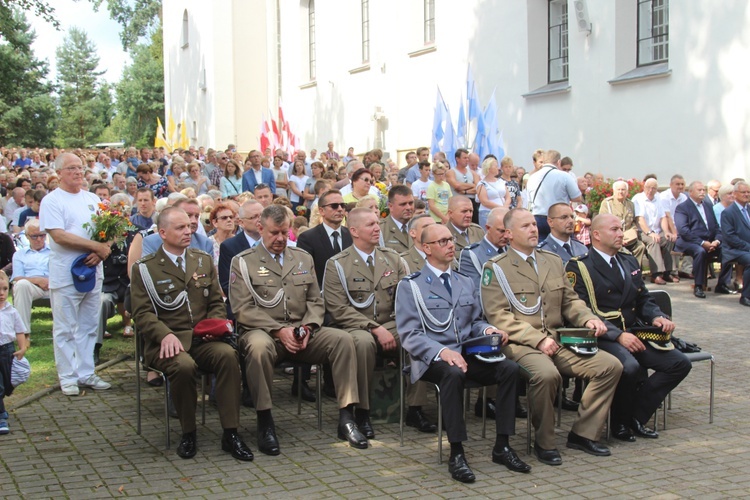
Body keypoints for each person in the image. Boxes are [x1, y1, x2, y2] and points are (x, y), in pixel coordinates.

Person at [480, 209, 621, 466]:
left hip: (557, 340)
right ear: (509, 234)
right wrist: (537, 340)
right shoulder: (496, 269)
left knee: (609, 366)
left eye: (534, 224)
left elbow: (570, 301)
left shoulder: (552, 260)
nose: (534, 229)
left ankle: (583, 433)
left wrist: (587, 318)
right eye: (525, 226)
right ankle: (544, 442)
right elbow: (498, 316)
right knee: (546, 375)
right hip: (521, 345)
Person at [396, 223, 530, 483]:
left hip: (466, 353)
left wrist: (490, 328)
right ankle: (456, 452)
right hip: (432, 358)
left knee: (510, 369)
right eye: (443, 241)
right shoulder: (411, 286)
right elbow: (409, 334)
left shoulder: (464, 280)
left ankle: (502, 445)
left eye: (450, 240)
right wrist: (443, 351)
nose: (450, 245)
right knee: (453, 373)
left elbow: (474, 321)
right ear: (426, 248)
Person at [229, 205, 367, 453]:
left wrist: (308, 327)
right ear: (260, 228)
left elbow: (315, 300)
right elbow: (242, 309)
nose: (280, 238)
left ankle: (346, 417)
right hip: (265, 332)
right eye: (274, 233)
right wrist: (278, 331)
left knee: (343, 340)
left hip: (303, 332)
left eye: (284, 232)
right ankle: (265, 421)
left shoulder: (302, 257)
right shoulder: (243, 262)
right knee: (258, 348)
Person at [130, 207, 253, 461]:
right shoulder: (145, 268)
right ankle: (188, 432)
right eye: (180, 227)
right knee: (184, 367)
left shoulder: (202, 259)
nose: (189, 231)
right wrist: (164, 335)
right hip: (165, 342)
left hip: (202, 338)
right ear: (162, 233)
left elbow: (217, 302)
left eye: (189, 226)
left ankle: (231, 432)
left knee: (229, 356)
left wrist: (215, 326)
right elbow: (141, 313)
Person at [566, 214, 692, 442]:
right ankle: (620, 424)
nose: (621, 234)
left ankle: (636, 415)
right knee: (630, 366)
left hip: (632, 331)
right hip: (602, 334)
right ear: (596, 235)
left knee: (678, 363)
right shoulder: (579, 267)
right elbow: (581, 312)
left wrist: (657, 317)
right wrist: (618, 336)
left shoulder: (628, 259)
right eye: (614, 229)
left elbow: (643, 298)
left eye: (621, 229)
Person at [323, 208, 436, 437]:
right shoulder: (337, 264)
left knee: (417, 338)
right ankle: (363, 412)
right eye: (370, 225)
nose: (377, 228)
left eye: (377, 223)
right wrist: (375, 328)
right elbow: (338, 309)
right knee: (363, 344)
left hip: (391, 324)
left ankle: (415, 408)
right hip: (355, 327)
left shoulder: (392, 258)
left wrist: (393, 327)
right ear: (353, 231)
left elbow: (407, 298)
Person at [39, 153, 113, 396]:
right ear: (59, 173)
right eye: (71, 168)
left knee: (90, 324)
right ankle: (68, 377)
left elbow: (110, 229)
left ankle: (86, 371)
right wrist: (95, 247)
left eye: (80, 168)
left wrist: (105, 250)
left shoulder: (93, 198)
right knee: (66, 327)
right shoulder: (52, 201)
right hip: (65, 273)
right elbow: (59, 236)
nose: (78, 172)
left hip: (93, 269)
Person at [674, 181, 733, 298]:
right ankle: (699, 285)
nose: (702, 192)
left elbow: (716, 227)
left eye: (703, 190)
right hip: (688, 241)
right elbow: (684, 231)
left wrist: (717, 240)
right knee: (699, 251)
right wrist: (702, 243)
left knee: (728, 249)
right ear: (690, 192)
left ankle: (722, 284)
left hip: (709, 241)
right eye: (699, 190)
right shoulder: (682, 208)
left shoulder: (708, 206)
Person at [296, 190, 352, 288]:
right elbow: (305, 273)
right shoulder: (307, 238)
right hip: (322, 295)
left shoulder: (352, 235)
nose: (340, 209)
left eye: (343, 205)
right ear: (321, 211)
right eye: (334, 206)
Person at [525, 150, 583, 240]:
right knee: (562, 246)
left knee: (541, 249)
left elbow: (529, 199)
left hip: (537, 217)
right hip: (559, 217)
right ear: (559, 162)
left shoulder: (532, 177)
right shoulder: (564, 176)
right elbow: (577, 197)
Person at [633, 178, 677, 285]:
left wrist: (666, 231)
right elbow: (640, 219)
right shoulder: (638, 199)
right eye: (648, 187)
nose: (650, 190)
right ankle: (656, 274)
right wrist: (650, 233)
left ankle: (667, 272)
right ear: (644, 187)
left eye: (653, 188)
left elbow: (663, 217)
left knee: (669, 239)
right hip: (642, 232)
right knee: (653, 241)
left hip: (657, 231)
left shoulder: (658, 198)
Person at [0, 270, 27, 435]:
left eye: (4, 289)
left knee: (7, 384)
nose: (1, 293)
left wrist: (22, 347)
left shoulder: (12, 311)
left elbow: (19, 331)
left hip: (7, 351)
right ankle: (1, 416)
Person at [10, 219, 49, 334]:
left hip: (54, 285)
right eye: (34, 236)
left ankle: (66, 333)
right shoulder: (19, 255)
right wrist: (37, 280)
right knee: (21, 285)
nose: (39, 239)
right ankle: (23, 333)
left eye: (42, 235)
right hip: (32, 287)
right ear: (26, 236)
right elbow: (17, 277)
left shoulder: (55, 252)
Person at [597, 180, 646, 265]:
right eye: (618, 189)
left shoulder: (630, 204)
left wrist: (630, 235)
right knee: (622, 251)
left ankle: (634, 270)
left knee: (640, 247)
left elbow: (633, 222)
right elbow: (603, 223)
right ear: (614, 191)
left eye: (623, 190)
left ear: (627, 191)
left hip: (628, 237)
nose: (621, 192)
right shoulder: (607, 203)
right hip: (612, 237)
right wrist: (619, 237)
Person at [141, 198, 213, 256]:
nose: (194, 221)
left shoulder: (205, 243)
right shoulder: (151, 242)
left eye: (197, 216)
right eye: (188, 215)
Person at [720, 181, 750, 307]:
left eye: (748, 192)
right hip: (734, 250)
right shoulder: (728, 212)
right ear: (735, 194)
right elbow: (730, 237)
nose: (747, 194)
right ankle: (746, 296)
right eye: (743, 192)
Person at [377, 185, 414, 253]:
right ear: (390, 206)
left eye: (411, 203)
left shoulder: (419, 227)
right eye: (403, 204)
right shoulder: (380, 229)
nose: (408, 207)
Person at [476, 157, 511, 228]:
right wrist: (500, 208)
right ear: (489, 169)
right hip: (487, 213)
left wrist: (505, 206)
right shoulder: (482, 184)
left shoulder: (501, 182)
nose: (498, 168)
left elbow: (508, 197)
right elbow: (484, 201)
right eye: (495, 166)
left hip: (503, 212)